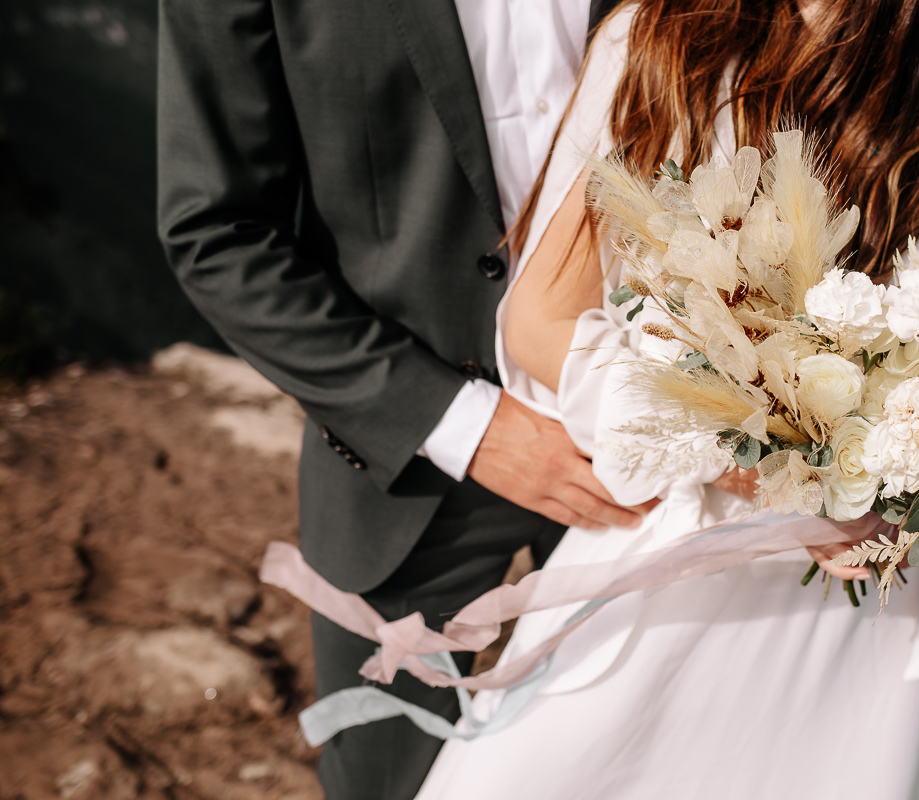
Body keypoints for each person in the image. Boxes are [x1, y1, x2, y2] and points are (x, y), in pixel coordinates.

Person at [413, 1, 919, 798]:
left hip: (842, 615)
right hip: (662, 567)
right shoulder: (658, 35)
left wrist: (896, 478)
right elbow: (540, 319)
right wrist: (737, 451)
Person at [154, 1, 643, 797]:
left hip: (655, 439)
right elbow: (218, 235)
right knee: (389, 782)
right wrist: (465, 426)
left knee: (644, 761)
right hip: (411, 477)